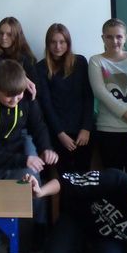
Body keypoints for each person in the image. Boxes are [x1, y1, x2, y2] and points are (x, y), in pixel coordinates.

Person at [0, 59, 58, 253]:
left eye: (18, 95)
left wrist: (46, 148)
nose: (15, 100)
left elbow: (38, 126)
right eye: (8, 96)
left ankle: (22, 252)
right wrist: (24, 160)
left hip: (14, 159)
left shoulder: (27, 98)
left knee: (29, 192)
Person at [88, 18, 127, 177]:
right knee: (114, 181)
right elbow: (100, 92)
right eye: (109, 37)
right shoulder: (96, 61)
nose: (114, 41)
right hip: (108, 129)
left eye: (119, 36)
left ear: (125, 37)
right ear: (103, 38)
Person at [35, 23, 94, 174]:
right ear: (48, 44)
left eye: (62, 42)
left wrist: (86, 128)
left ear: (68, 43)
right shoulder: (41, 67)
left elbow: (88, 96)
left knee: (84, 175)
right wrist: (60, 134)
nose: (58, 46)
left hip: (82, 131)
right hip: (57, 132)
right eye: (53, 42)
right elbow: (46, 104)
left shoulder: (80, 62)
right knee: (64, 177)